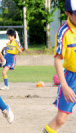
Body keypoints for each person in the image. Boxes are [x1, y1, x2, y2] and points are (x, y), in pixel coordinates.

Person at [43, 0, 76, 132]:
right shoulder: (64, 32)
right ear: (67, 13)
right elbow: (57, 60)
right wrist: (64, 85)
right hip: (71, 79)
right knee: (61, 119)